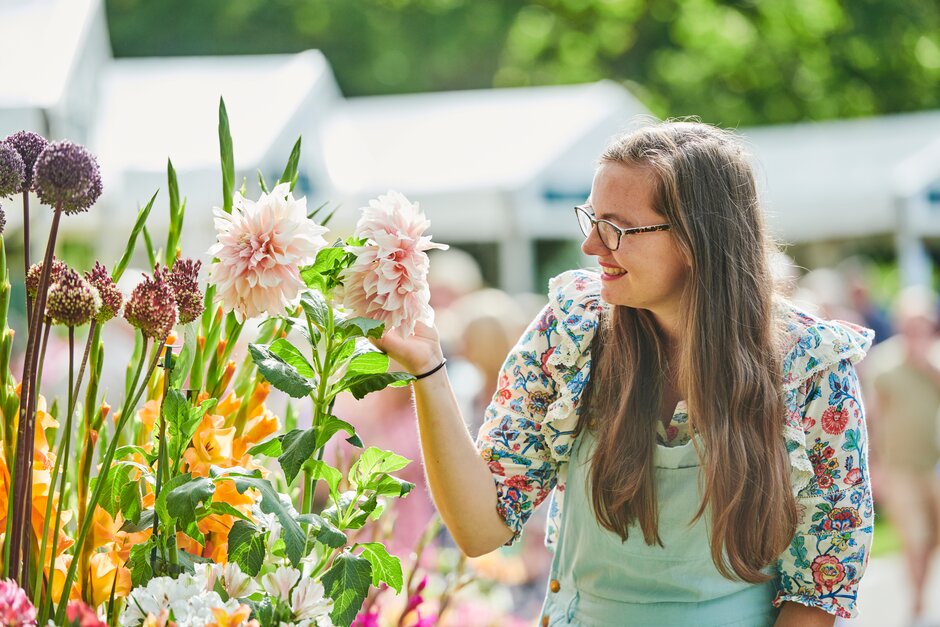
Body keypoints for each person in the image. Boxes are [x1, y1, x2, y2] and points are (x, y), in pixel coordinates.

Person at [377, 121, 874, 626]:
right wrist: (428, 368)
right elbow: (481, 528)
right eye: (591, 219)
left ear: (694, 239)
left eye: (615, 226)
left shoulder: (811, 367)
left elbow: (817, 593)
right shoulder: (570, 334)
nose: (592, 245)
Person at [865, 286, 940, 626]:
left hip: (934, 466)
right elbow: (872, 419)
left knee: (933, 539)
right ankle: (918, 605)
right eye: (909, 325)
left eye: (922, 325)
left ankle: (921, 595)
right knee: (916, 538)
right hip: (901, 469)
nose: (915, 333)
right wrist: (874, 467)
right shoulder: (884, 364)